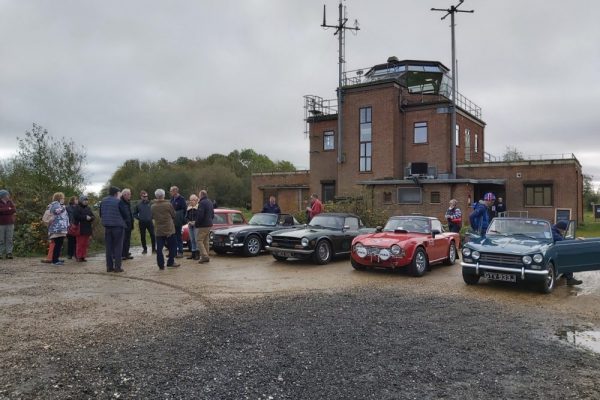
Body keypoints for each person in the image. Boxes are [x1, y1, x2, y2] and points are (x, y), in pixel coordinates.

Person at [151, 188, 179, 269]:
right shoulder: (168, 204)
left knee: (159, 249)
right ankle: (170, 262)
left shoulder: (153, 206)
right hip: (169, 229)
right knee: (173, 246)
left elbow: (152, 216)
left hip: (159, 230)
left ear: (156, 196)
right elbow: (174, 215)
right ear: (163, 195)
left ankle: (161, 265)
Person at [100, 186, 126, 273]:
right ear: (116, 193)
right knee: (118, 247)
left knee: (108, 248)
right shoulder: (118, 201)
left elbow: (101, 214)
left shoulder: (103, 201)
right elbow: (124, 214)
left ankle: (109, 267)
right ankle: (117, 267)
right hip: (118, 226)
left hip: (107, 226)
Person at [552, 220, 583, 286]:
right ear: (560, 228)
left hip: (554, 250)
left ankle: (564, 273)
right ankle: (570, 279)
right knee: (568, 259)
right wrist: (575, 240)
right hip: (552, 252)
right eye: (563, 230)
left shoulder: (554, 229)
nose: (563, 232)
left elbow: (562, 238)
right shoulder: (553, 232)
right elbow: (561, 240)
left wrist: (575, 238)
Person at [47, 192, 69, 266]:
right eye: (62, 198)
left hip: (59, 227)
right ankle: (55, 261)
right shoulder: (55, 205)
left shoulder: (58, 205)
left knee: (59, 244)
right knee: (58, 244)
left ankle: (56, 259)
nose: (63, 199)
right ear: (59, 198)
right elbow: (56, 212)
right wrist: (63, 207)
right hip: (57, 228)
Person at [133, 190, 156, 254]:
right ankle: (145, 249)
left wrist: (152, 217)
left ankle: (154, 249)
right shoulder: (138, 205)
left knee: (153, 235)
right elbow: (134, 213)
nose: (145, 197)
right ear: (141, 197)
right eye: (144, 196)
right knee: (143, 236)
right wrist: (139, 218)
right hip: (142, 222)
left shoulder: (151, 203)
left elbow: (154, 211)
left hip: (149, 222)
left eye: (146, 196)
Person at [73, 195, 95, 262]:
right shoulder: (77, 207)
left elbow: (93, 216)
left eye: (86, 200)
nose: (86, 201)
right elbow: (76, 216)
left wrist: (91, 218)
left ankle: (83, 256)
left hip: (87, 228)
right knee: (80, 243)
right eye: (84, 200)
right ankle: (78, 256)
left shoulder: (88, 208)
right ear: (81, 201)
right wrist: (85, 217)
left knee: (85, 244)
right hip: (80, 228)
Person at [195, 189, 214, 264]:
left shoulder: (202, 203)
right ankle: (206, 256)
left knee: (199, 240)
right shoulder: (210, 202)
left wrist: (197, 223)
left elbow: (200, 215)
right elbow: (212, 214)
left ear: (201, 195)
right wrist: (210, 220)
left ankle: (204, 256)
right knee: (206, 240)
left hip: (203, 225)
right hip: (209, 224)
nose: (198, 196)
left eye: (199, 195)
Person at [169, 186, 187, 258]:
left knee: (178, 236)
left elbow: (184, 210)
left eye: (171, 191)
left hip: (178, 221)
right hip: (172, 220)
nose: (170, 193)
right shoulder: (172, 199)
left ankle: (180, 252)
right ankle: (173, 252)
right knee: (172, 236)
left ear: (175, 191)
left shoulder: (181, 199)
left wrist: (182, 219)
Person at [0, 189, 16, 259]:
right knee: (1, 239)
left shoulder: (10, 202)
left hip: (10, 223)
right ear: (3, 195)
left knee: (9, 238)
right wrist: (8, 209)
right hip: (1, 223)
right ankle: (0, 253)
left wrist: (4, 210)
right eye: (7, 194)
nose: (8, 196)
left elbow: (14, 210)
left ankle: (9, 253)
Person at [119, 188, 134, 260]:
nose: (130, 195)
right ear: (125, 195)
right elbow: (122, 214)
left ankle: (126, 253)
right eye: (129, 194)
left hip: (129, 224)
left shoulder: (128, 202)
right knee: (123, 240)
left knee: (127, 240)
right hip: (124, 225)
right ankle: (122, 254)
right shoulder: (121, 202)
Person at [185, 194, 200, 260]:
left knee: (196, 240)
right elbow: (186, 217)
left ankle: (197, 254)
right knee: (192, 240)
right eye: (190, 200)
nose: (191, 201)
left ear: (196, 200)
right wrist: (189, 222)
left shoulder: (199, 207)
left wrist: (195, 222)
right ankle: (193, 253)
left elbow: (200, 217)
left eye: (193, 200)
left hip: (196, 225)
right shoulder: (188, 208)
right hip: (190, 225)